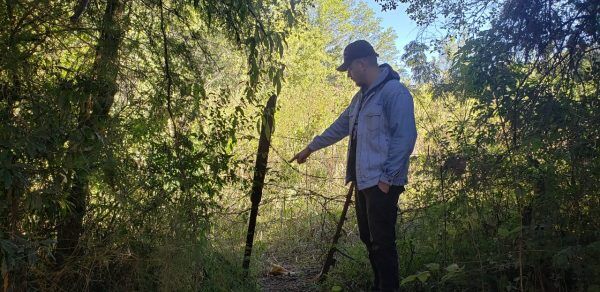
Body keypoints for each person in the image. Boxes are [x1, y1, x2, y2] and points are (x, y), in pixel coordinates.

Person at [289, 40, 417, 292]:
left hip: (382, 184)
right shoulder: (360, 98)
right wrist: (310, 147)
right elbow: (340, 127)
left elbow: (405, 138)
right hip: (363, 182)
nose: (347, 74)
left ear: (362, 64)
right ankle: (380, 286)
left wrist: (386, 179)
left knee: (383, 243)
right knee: (369, 240)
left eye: (348, 68)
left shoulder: (394, 93)